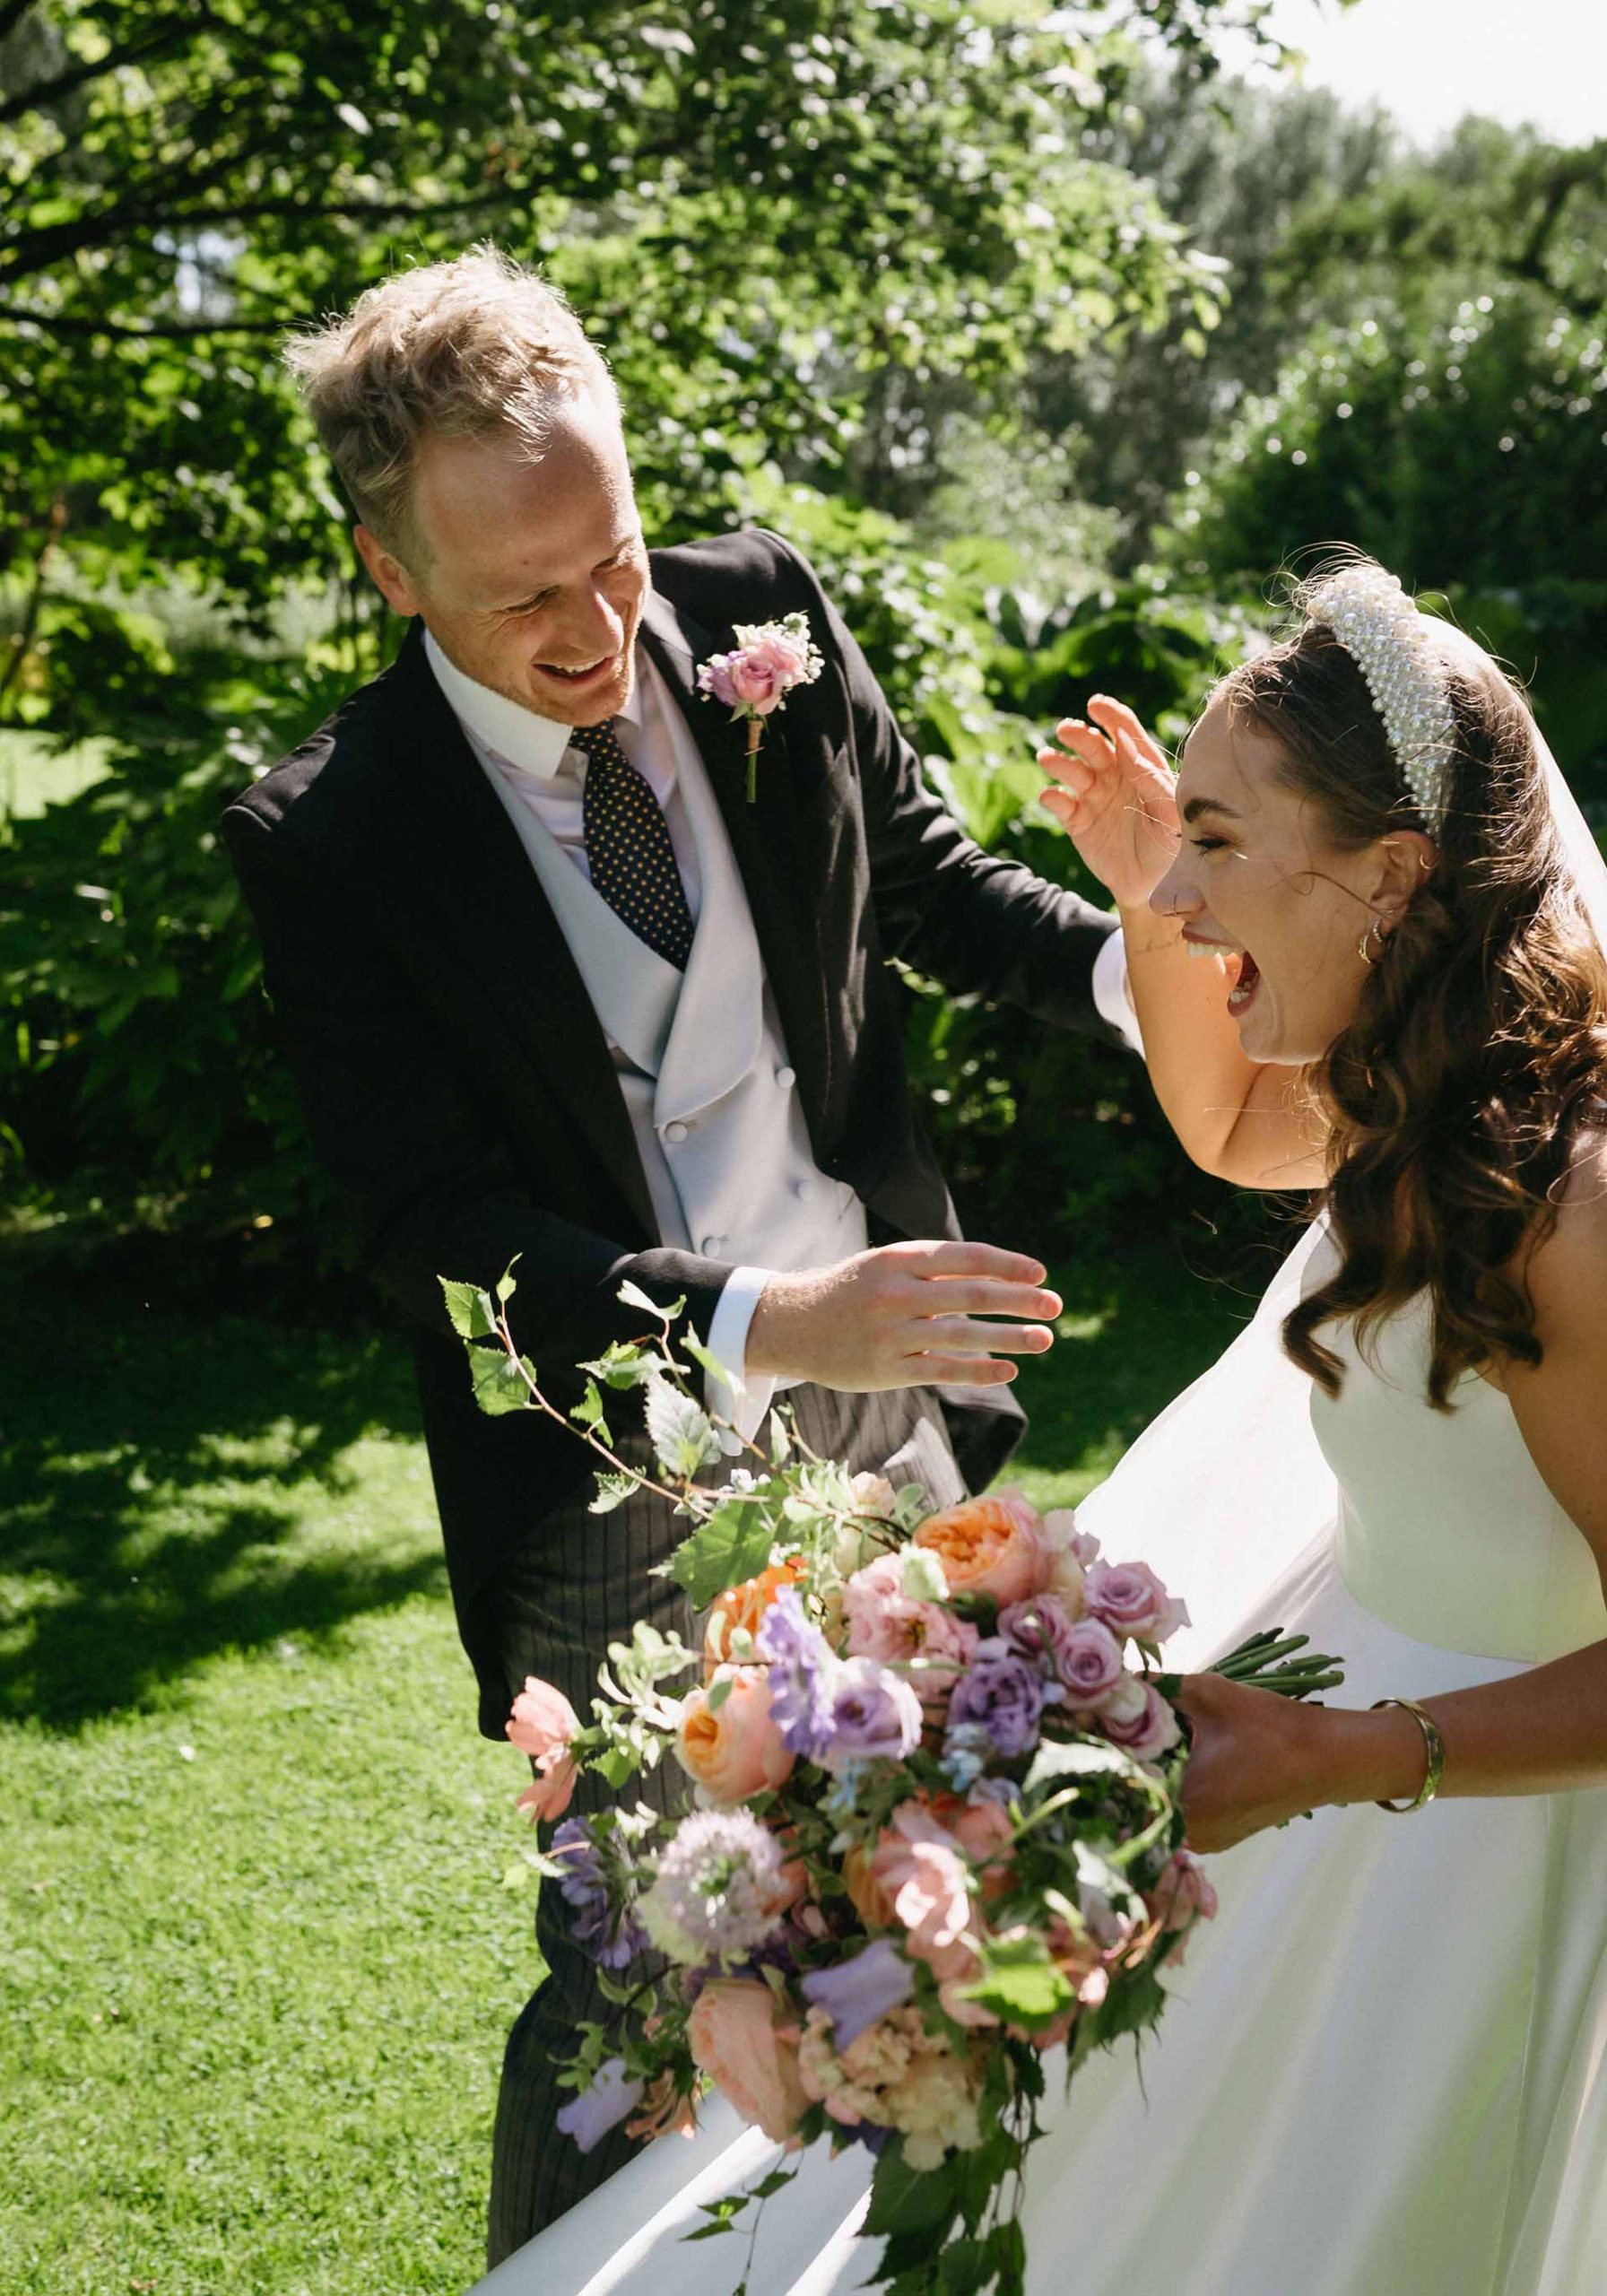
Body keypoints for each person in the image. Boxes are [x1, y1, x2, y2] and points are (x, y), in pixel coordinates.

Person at [484, 560, 1607, 2296]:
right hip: (1307, 1744)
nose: (1170, 882)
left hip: (1486, 1819)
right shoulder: (1424, 1087)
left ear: (1388, 876)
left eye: (1216, 840)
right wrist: (1153, 903)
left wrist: (1353, 1755)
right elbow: (1233, 1127)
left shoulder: (1568, 1208)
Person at [220, 246, 1140, 2267]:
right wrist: (745, 1317)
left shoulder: (761, 618)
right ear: (393, 575)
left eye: (612, 556)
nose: (596, 625)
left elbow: (930, 884)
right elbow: (424, 1222)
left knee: (928, 1901)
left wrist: (1170, 971)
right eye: (522, 594)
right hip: (603, 1483)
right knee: (643, 1977)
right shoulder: (334, 835)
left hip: (892, 1405)